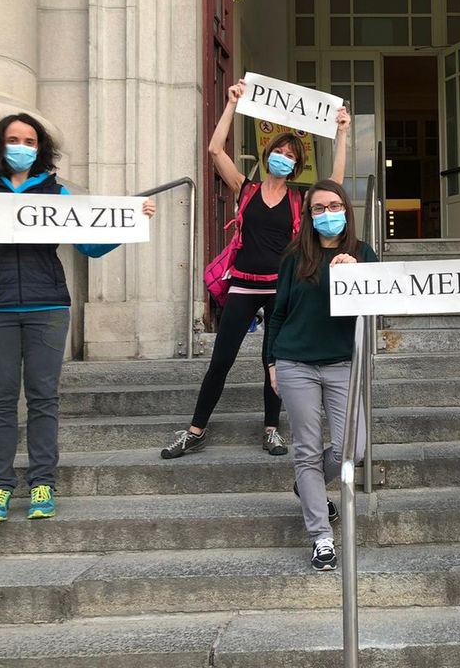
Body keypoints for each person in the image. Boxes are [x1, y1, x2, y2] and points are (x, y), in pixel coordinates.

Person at [0, 113, 156, 523]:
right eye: (14, 139)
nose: (22, 147)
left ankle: (42, 482)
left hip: (47, 308)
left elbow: (90, 246)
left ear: (40, 149)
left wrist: (131, 222)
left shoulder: (57, 195)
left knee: (44, 398)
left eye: (30, 141)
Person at [160, 80, 350, 459]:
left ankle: (271, 430)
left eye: (290, 155)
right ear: (267, 154)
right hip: (243, 287)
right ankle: (195, 431)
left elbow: (337, 184)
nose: (283, 157)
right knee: (221, 360)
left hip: (281, 289)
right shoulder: (245, 188)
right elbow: (215, 150)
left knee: (272, 363)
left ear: (297, 164)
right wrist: (232, 103)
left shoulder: (300, 197)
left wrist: (343, 133)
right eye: (278, 151)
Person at [265, 179, 377, 571]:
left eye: (334, 206)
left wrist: (358, 274)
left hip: (343, 363)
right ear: (309, 215)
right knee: (307, 450)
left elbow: (378, 307)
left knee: (354, 448)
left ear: (346, 209)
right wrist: (271, 362)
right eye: (318, 208)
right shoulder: (295, 256)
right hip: (295, 362)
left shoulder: (363, 253)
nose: (327, 214)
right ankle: (321, 537)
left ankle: (307, 484)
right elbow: (278, 312)